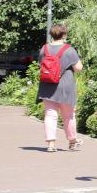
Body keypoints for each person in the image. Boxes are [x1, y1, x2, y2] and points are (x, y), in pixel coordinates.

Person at [38, 23, 83, 152]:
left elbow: (41, 64)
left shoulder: (44, 49)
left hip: (47, 85)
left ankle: (51, 144)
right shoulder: (69, 50)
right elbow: (78, 68)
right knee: (68, 116)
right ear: (64, 35)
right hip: (65, 85)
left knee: (50, 115)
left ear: (51, 34)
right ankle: (72, 141)